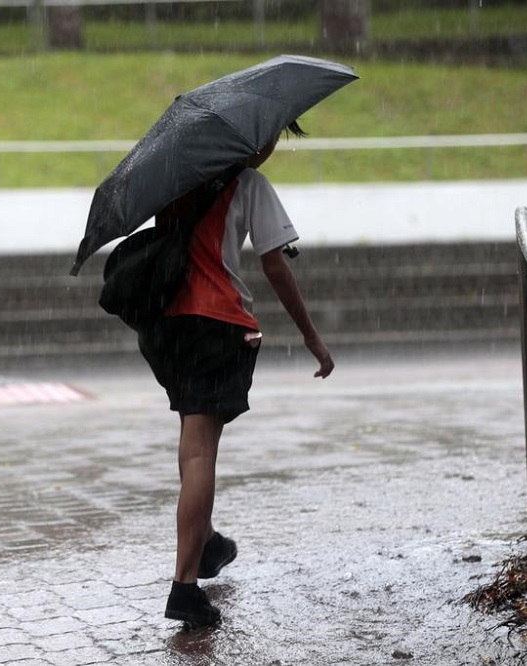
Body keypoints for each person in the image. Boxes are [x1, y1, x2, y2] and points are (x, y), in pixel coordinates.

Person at [137, 120, 335, 628]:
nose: (270, 146)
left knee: (191, 442)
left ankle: (205, 544)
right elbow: (276, 267)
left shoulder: (176, 184)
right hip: (217, 324)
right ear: (251, 142)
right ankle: (185, 587)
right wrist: (311, 336)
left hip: (169, 327)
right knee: (202, 450)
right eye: (270, 137)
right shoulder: (249, 184)